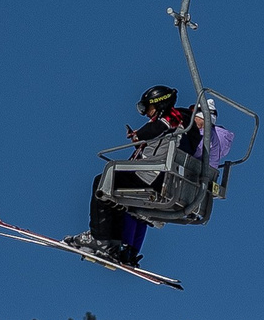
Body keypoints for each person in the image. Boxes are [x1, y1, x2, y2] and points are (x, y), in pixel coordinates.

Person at [72, 85, 193, 265]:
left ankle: (100, 238)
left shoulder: (169, 119)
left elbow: (155, 129)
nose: (146, 113)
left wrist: (138, 135)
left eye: (147, 108)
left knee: (102, 182)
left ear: (159, 104)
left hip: (149, 177)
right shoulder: (177, 122)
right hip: (156, 176)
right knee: (114, 189)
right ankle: (113, 242)